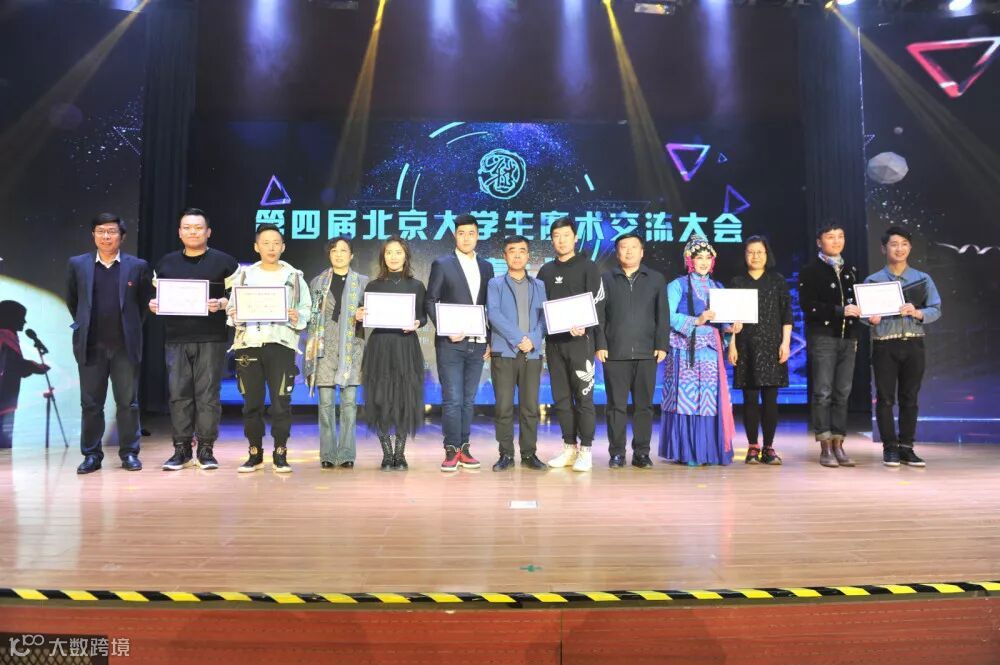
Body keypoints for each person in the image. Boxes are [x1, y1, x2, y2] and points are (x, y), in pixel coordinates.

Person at [149, 208, 239, 471]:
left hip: (212, 337)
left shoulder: (225, 262)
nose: (193, 232)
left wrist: (222, 303)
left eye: (198, 228)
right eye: (187, 227)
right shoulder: (165, 264)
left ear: (208, 232)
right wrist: (154, 304)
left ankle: (206, 449)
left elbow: (239, 297)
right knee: (179, 394)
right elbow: (157, 297)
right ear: (179, 232)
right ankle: (181, 449)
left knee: (208, 395)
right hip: (176, 338)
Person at [66, 213, 152, 474]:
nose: (106, 236)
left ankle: (129, 454)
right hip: (91, 345)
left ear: (122, 237)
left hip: (124, 346)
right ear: (93, 234)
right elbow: (74, 301)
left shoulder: (137, 266)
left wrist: (130, 329)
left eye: (112, 231)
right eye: (101, 231)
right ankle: (92, 455)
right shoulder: (78, 264)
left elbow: (142, 305)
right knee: (91, 404)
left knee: (128, 403)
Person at [226, 224, 311, 473]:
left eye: (276, 243)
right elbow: (231, 311)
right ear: (256, 247)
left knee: (280, 403)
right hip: (249, 345)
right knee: (251, 403)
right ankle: (254, 453)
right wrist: (235, 314)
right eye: (266, 243)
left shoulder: (294, 277)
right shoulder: (244, 276)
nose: (271, 248)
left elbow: (306, 309)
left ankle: (280, 453)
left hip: (281, 345)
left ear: (283, 247)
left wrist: (297, 316)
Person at [862, 226, 942, 467]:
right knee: (885, 399)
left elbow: (936, 309)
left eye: (904, 244)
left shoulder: (922, 279)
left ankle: (907, 447)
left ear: (910, 247)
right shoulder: (873, 280)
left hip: (914, 343)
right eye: (894, 244)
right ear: (883, 248)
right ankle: (890, 448)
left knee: (910, 398)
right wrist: (870, 319)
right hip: (884, 345)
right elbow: (863, 315)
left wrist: (917, 312)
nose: (899, 249)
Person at [658, 235, 736, 466]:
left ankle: (709, 450)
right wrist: (696, 320)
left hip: (710, 350)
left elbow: (723, 322)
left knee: (709, 400)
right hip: (685, 349)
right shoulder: (677, 285)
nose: (703, 262)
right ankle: (688, 451)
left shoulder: (718, 287)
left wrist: (730, 328)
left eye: (707, 257)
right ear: (689, 260)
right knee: (687, 399)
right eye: (698, 257)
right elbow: (667, 316)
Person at [425, 214, 493, 472]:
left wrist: (490, 339)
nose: (466, 238)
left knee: (468, 399)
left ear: (478, 235)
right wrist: (446, 329)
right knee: (452, 398)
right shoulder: (442, 264)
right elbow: (431, 300)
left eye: (471, 233)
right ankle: (451, 449)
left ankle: (465, 447)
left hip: (478, 343)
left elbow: (489, 306)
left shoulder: (486, 267)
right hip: (450, 343)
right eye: (461, 233)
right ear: (455, 235)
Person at [594, 233, 668, 469]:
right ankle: (617, 452)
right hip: (615, 353)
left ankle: (641, 453)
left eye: (633, 247)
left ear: (642, 252)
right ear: (617, 253)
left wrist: (661, 345)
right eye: (623, 247)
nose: (628, 251)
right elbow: (599, 315)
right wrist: (600, 344)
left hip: (647, 353)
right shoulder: (606, 279)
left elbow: (662, 315)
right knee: (615, 406)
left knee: (643, 407)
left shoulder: (655, 279)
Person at [537, 217, 605, 472]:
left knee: (584, 397)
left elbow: (598, 301)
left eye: (566, 235)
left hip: (580, 342)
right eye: (556, 236)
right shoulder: (545, 271)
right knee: (562, 398)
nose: (561, 240)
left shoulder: (588, 267)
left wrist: (586, 325)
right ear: (551, 240)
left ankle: (585, 450)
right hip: (554, 343)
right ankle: (569, 448)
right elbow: (540, 307)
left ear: (575, 238)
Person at [357, 236, 427, 470]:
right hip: (380, 346)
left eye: (398, 252)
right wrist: (360, 315)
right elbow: (364, 314)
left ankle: (400, 453)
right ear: (383, 257)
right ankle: (387, 454)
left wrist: (417, 323)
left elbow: (423, 316)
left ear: (406, 256)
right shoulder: (373, 286)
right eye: (389, 253)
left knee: (405, 398)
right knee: (381, 398)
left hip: (406, 346)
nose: (393, 257)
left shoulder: (416, 285)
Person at [799, 223, 861, 468]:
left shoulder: (851, 269)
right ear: (819, 241)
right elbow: (808, 306)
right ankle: (825, 445)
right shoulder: (810, 271)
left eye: (840, 236)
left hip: (849, 338)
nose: (836, 241)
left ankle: (839, 443)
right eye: (830, 237)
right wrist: (839, 311)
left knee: (842, 393)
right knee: (823, 392)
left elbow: (860, 303)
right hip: (823, 336)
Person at [728, 235, 793, 465]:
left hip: (772, 345)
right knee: (749, 398)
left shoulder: (777, 280)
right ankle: (753, 446)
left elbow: (786, 315)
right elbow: (730, 318)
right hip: (745, 346)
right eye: (751, 252)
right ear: (745, 255)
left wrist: (785, 343)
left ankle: (769, 447)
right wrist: (732, 345)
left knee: (771, 399)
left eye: (760, 252)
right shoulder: (737, 282)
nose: (755, 256)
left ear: (767, 254)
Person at [304, 236, 368, 469]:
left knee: (349, 405)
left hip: (352, 348)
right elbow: (311, 316)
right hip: (324, 349)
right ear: (329, 254)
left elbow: (373, 314)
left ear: (351, 255)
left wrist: (363, 314)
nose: (339, 254)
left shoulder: (363, 282)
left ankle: (347, 453)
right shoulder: (317, 283)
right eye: (334, 250)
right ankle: (328, 454)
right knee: (325, 405)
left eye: (343, 250)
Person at [486, 236, 548, 471]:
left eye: (522, 251)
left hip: (532, 353)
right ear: (505, 256)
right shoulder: (495, 284)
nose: (518, 255)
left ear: (528, 256)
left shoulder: (539, 285)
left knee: (530, 407)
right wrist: (519, 339)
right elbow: (493, 314)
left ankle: (529, 453)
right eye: (512, 251)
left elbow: (544, 318)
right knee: (503, 407)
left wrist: (532, 340)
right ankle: (506, 454)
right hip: (505, 352)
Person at [0, 301, 49, 448]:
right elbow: (13, 364)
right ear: (11, 317)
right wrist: (36, 367)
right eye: (21, 317)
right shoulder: (4, 337)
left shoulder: (8, 336)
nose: (24, 321)